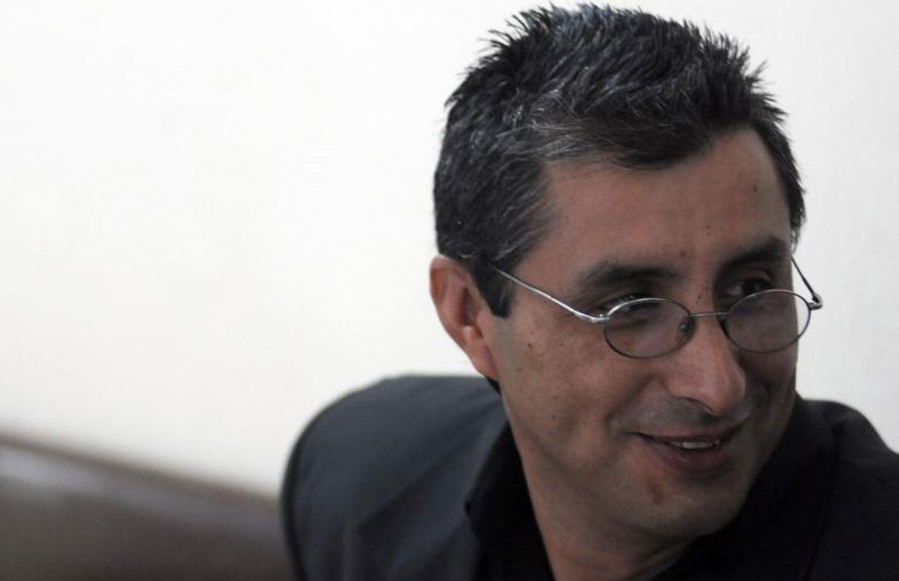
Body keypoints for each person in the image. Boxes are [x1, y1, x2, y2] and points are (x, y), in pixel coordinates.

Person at [281, 5, 899, 580]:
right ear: (470, 316)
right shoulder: (358, 483)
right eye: (631, 307)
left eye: (750, 287)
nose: (718, 386)